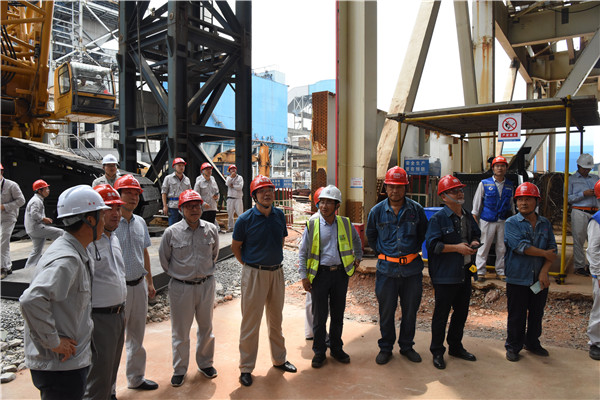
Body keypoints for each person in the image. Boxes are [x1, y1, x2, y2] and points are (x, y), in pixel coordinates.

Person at [20, 185, 109, 400]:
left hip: (67, 364)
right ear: (90, 220)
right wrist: (54, 342)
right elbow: (31, 300)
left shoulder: (75, 250)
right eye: (102, 215)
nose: (105, 221)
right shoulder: (67, 260)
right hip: (60, 368)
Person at [231, 175, 297, 387]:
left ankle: (279, 359)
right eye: (261, 191)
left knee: (276, 320)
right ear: (254, 196)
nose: (266, 193)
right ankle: (246, 367)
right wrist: (250, 265)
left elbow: (281, 240)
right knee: (251, 322)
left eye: (269, 189)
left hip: (276, 272)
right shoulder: (245, 220)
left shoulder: (279, 216)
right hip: (254, 274)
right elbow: (236, 247)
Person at [366, 166, 428, 365]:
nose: (395, 190)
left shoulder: (416, 210)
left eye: (399, 187)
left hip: (412, 271)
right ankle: (385, 348)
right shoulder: (377, 212)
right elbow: (371, 236)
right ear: (385, 187)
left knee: (410, 311)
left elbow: (422, 235)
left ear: (405, 188)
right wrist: (385, 254)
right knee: (386, 311)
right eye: (391, 186)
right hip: (386, 271)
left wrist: (409, 253)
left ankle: (407, 346)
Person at [159, 190, 220, 387]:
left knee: (206, 327)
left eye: (197, 206)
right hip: (181, 287)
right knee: (180, 330)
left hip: (206, 285)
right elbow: (164, 261)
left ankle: (205, 363)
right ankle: (180, 369)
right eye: (189, 206)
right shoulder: (171, 233)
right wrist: (182, 274)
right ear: (181, 209)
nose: (194, 210)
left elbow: (214, 255)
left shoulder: (211, 229)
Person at [298, 185, 362, 368]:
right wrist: (304, 276)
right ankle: (319, 352)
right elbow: (303, 252)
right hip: (320, 275)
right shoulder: (312, 224)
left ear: (337, 206)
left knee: (337, 314)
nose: (324, 206)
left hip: (340, 275)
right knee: (319, 316)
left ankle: (336, 348)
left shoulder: (345, 223)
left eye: (329, 202)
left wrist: (358, 257)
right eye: (322, 202)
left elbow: (357, 241)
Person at [425, 175, 480, 370]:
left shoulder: (467, 216)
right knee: (441, 314)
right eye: (454, 191)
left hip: (464, 273)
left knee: (461, 312)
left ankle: (455, 346)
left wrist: (474, 243)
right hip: (445, 276)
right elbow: (433, 246)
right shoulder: (438, 219)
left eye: (460, 190)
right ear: (443, 197)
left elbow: (476, 233)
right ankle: (437, 351)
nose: (459, 193)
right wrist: (457, 248)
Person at [113, 174, 158, 391]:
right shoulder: (109, 224)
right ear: (118, 195)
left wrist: (149, 281)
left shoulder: (140, 222)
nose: (133, 197)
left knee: (137, 335)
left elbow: (144, 252)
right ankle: (108, 388)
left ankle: (136, 378)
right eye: (128, 193)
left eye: (136, 194)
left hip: (139, 285)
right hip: (117, 289)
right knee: (113, 341)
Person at [504, 182, 557, 362]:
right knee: (516, 315)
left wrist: (544, 272)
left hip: (538, 279)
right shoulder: (512, 223)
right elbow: (521, 247)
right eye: (520, 200)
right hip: (517, 278)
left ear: (537, 201)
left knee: (536, 313)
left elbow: (553, 250)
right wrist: (544, 254)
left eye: (528, 199)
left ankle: (532, 343)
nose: (523, 203)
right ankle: (513, 346)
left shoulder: (545, 223)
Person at [83, 185, 127, 400]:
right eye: (109, 208)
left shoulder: (113, 238)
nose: (116, 213)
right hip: (99, 317)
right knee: (98, 375)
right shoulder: (88, 244)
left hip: (118, 314)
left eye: (118, 208)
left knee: (111, 368)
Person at [472, 155, 514, 281]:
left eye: (502, 166)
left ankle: (500, 271)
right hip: (487, 220)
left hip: (503, 220)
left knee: (502, 247)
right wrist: (474, 216)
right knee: (484, 246)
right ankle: (480, 271)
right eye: (497, 166)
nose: (500, 168)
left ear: (506, 168)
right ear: (493, 168)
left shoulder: (510, 185)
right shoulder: (484, 183)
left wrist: (512, 218)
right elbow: (477, 202)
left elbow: (511, 204)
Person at [568, 153, 599, 276]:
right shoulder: (571, 180)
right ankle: (579, 266)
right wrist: (583, 194)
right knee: (579, 240)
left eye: (589, 168)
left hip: (595, 213)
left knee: (595, 241)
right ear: (578, 166)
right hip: (579, 211)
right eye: (584, 168)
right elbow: (568, 198)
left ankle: (594, 266)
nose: (586, 170)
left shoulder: (596, 179)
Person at [24, 179, 64, 269]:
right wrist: (43, 219)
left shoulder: (37, 200)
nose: (48, 191)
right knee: (61, 233)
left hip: (32, 229)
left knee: (36, 250)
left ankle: (29, 267)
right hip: (36, 228)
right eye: (46, 189)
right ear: (39, 191)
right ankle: (59, 255)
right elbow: (34, 214)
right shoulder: (36, 201)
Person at [304, 186, 324, 340]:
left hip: (316, 268)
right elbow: (304, 249)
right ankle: (315, 333)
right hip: (315, 269)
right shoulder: (314, 221)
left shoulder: (331, 220)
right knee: (315, 303)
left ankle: (311, 332)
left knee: (313, 302)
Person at [0, 163, 25, 279]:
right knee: (3, 244)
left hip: (9, 217)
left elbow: (21, 201)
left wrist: (5, 206)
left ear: (1, 172)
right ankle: (8, 267)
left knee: (2, 242)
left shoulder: (11, 185)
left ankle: (2, 268)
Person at [586, 180, 600, 360]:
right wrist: (598, 274)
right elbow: (593, 250)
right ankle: (596, 342)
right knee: (599, 309)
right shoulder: (597, 220)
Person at [161, 157, 191, 226]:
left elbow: (189, 193)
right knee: (173, 227)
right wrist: (165, 206)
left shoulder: (187, 180)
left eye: (183, 166)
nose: (181, 167)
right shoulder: (168, 178)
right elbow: (164, 192)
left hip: (184, 207)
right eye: (179, 165)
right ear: (174, 167)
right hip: (173, 207)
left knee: (184, 227)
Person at [225, 164, 244, 232]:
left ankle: (241, 228)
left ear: (236, 170)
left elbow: (240, 187)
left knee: (240, 214)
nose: (233, 170)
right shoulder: (228, 178)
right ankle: (231, 227)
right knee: (230, 214)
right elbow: (227, 184)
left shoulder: (240, 178)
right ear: (229, 171)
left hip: (238, 198)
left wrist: (233, 186)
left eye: (234, 168)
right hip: (230, 198)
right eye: (231, 169)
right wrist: (231, 178)